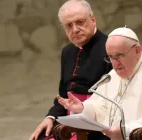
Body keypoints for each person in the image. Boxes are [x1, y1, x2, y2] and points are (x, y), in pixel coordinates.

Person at [57, 27, 142, 140]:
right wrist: (82, 108)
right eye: (110, 57)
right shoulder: (114, 75)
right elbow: (102, 107)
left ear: (137, 50)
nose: (115, 64)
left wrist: (126, 130)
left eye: (120, 56)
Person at [29, 0, 112, 140]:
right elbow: (63, 94)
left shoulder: (111, 47)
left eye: (80, 22)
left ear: (93, 19)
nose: (75, 29)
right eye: (69, 25)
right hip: (68, 119)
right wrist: (50, 117)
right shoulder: (67, 51)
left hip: (98, 123)